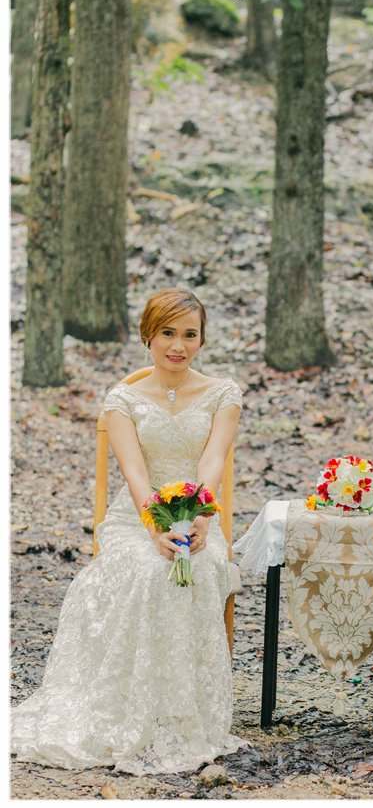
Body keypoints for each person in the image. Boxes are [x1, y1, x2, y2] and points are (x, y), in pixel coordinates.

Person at [12, 288, 247, 775]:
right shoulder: (122, 400)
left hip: (199, 515)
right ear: (148, 336)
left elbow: (213, 460)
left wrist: (201, 519)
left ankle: (182, 714)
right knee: (149, 569)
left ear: (202, 339)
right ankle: (132, 710)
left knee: (196, 568)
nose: (178, 346)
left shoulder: (224, 394)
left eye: (189, 335)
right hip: (134, 519)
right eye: (167, 333)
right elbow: (135, 472)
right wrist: (155, 527)